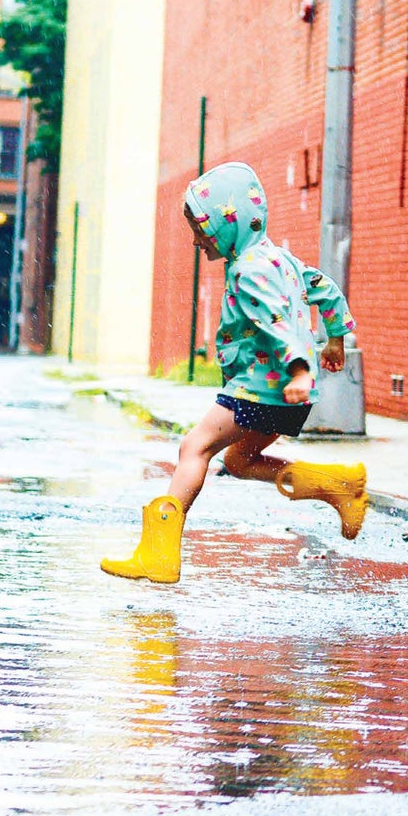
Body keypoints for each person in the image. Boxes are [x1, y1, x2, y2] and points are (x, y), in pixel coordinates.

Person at [101, 161, 368, 585]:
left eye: (200, 229)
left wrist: (298, 369)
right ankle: (338, 486)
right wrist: (335, 337)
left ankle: (159, 553)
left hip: (264, 387)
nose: (195, 241)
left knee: (194, 448)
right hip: (288, 398)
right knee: (240, 461)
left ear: (229, 225)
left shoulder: (248, 271)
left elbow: (275, 323)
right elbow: (326, 288)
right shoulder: (279, 258)